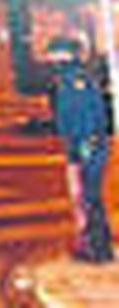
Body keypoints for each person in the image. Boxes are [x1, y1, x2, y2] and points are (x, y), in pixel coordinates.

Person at [50, 37, 113, 263]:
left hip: (88, 146)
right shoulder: (73, 79)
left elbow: (86, 119)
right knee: (89, 197)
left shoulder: (75, 81)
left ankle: (97, 250)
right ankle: (98, 245)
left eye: (53, 54)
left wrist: (79, 151)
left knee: (89, 198)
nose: (50, 59)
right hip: (85, 145)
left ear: (64, 55)